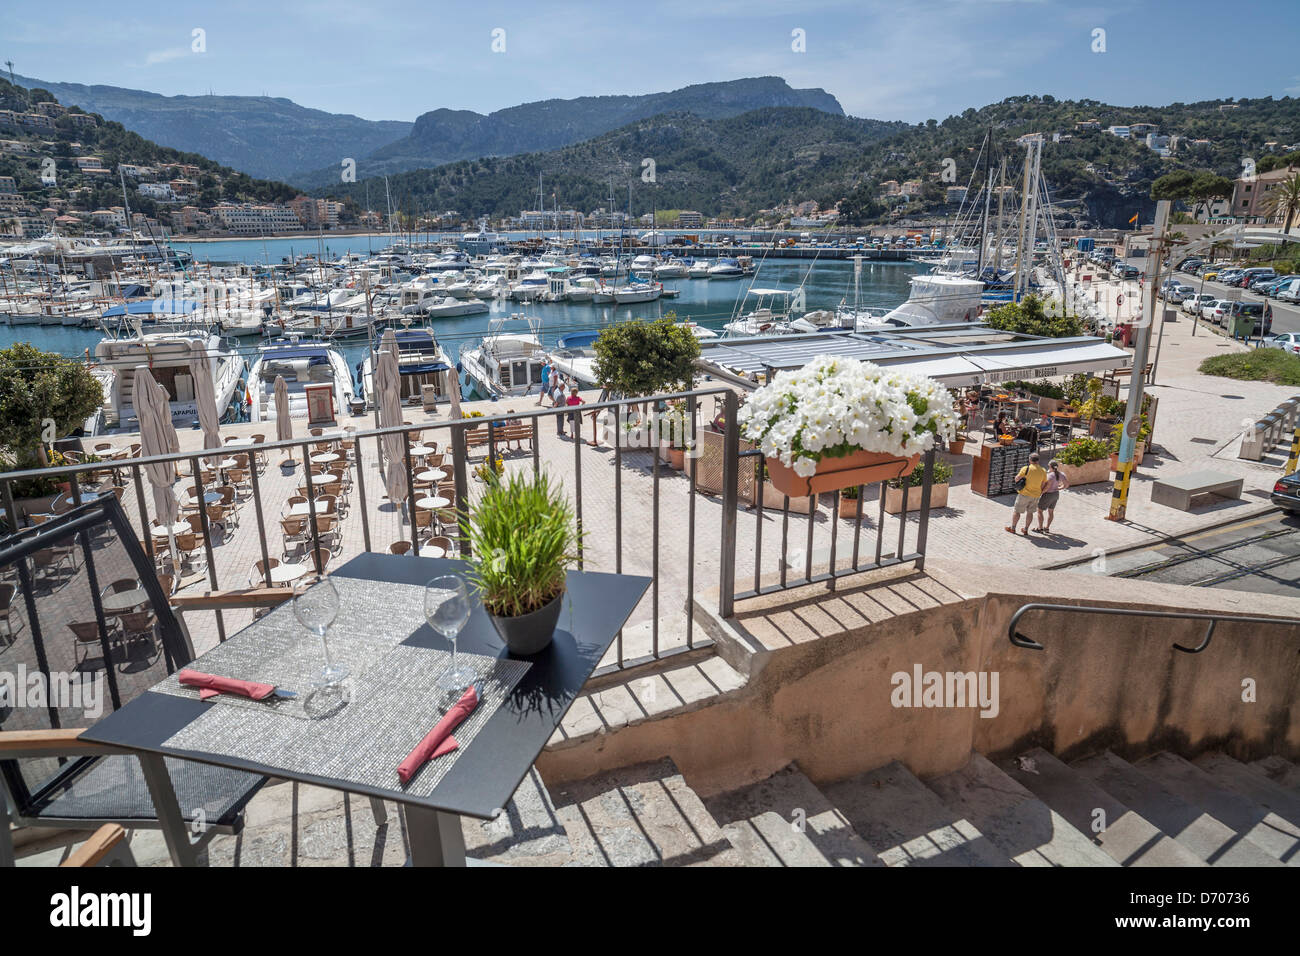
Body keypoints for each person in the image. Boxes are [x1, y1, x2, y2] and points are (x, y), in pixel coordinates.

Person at [1006, 451, 1047, 537]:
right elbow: (1043, 484)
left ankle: (1013, 528)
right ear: (1038, 460)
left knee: (1017, 511)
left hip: (1024, 494)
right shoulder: (1043, 471)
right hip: (1036, 495)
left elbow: (1017, 479)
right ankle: (1025, 529)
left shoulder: (1026, 468)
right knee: (1030, 513)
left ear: (1030, 460)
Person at [1034, 459, 1069, 533]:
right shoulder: (1061, 474)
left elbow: (1046, 487)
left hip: (1048, 495)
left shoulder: (1050, 476)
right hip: (1056, 494)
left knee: (1040, 511)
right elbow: (1067, 485)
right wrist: (1059, 488)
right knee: (1051, 511)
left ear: (1050, 466)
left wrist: (1040, 493)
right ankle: (1047, 528)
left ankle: (1040, 528)